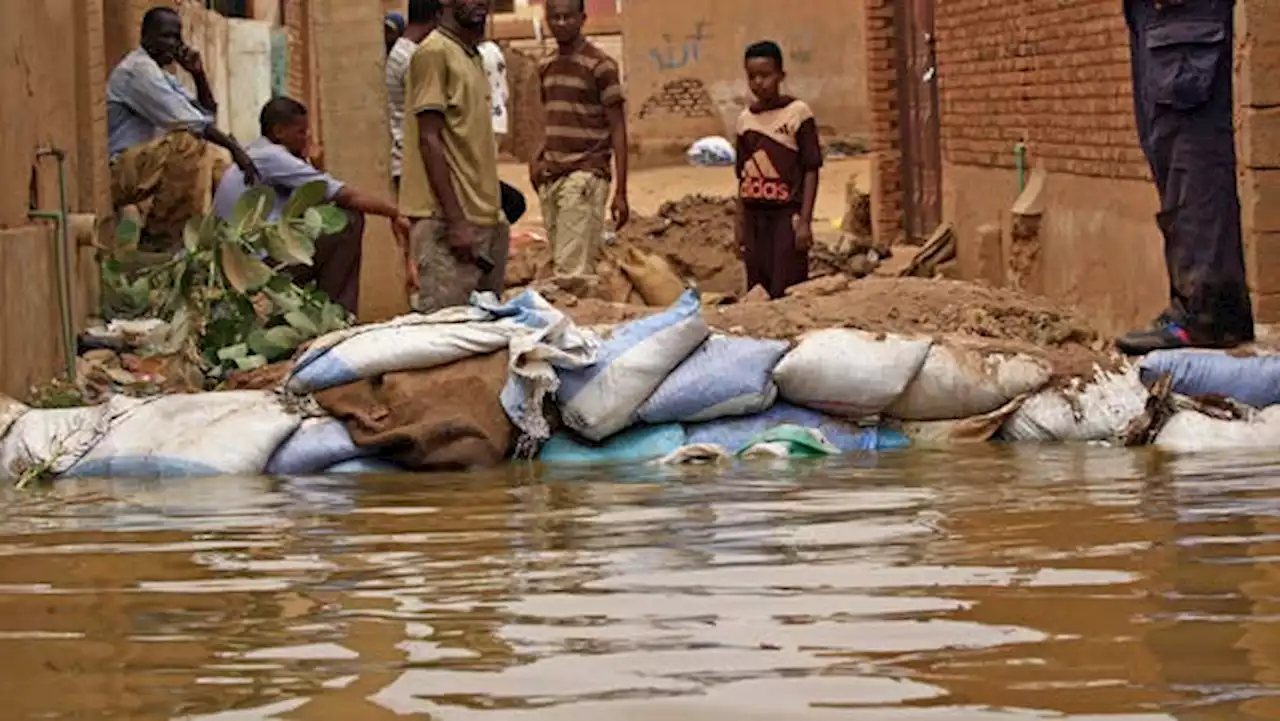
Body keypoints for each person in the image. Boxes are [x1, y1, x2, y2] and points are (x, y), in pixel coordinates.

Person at [1117, 0, 1254, 354]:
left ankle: (1208, 313)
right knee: (1166, 144)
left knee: (1190, 147)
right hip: (1156, 15)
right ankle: (1196, 307)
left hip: (1186, 16)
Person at [212, 97, 413, 316]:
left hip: (239, 262)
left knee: (326, 220)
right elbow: (344, 195)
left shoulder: (256, 152)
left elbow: (318, 198)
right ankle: (337, 315)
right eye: (301, 132)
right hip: (256, 265)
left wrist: (314, 165)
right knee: (349, 219)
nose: (306, 138)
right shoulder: (273, 158)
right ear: (279, 132)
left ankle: (321, 313)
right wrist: (394, 213)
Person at [108, 5, 259, 252]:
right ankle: (160, 239)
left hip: (142, 169)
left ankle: (213, 241)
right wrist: (237, 150)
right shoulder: (138, 70)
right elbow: (193, 124)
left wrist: (199, 75)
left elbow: (205, 115)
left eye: (177, 37)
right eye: (165, 36)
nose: (174, 44)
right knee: (187, 144)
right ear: (145, 37)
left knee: (215, 160)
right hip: (117, 173)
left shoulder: (160, 73)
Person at [401, 0, 508, 314]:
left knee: (485, 329)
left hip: (482, 217)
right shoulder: (434, 52)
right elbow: (429, 139)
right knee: (445, 329)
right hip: (447, 222)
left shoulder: (471, 55)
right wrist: (456, 221)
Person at [530, 0, 629, 277]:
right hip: (551, 177)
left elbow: (618, 128)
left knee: (570, 271)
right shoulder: (545, 65)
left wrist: (621, 191)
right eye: (555, 18)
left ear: (582, 18)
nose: (561, 23)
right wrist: (534, 162)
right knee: (568, 262)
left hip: (586, 173)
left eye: (567, 17)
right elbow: (539, 120)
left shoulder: (601, 66)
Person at [734, 41, 822, 299]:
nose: (759, 82)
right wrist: (739, 224)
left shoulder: (798, 114)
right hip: (754, 216)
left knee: (786, 286)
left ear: (781, 76)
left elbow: (811, 169)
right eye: (752, 76)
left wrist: (805, 221)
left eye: (766, 75)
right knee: (757, 288)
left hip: (786, 216)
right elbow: (742, 176)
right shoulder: (744, 120)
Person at [387, 1, 441, 190]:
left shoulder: (402, 53)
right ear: (438, 17)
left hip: (405, 157)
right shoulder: (414, 58)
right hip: (413, 160)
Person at [477, 32, 528, 225]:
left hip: (482, 120)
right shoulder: (494, 51)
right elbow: (504, 91)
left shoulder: (475, 54)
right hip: (498, 119)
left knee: (481, 178)